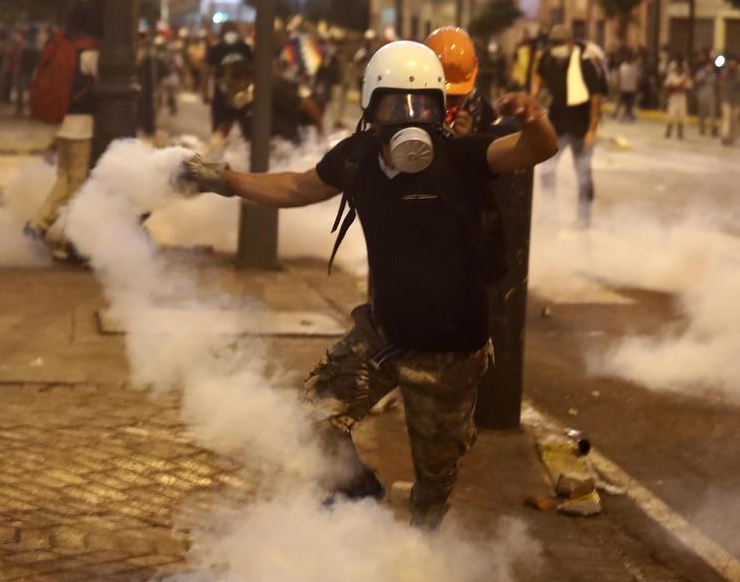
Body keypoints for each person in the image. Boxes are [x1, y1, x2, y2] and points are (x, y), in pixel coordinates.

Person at [171, 41, 558, 528]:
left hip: (451, 352)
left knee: (433, 488)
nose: (410, 118)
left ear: (441, 108)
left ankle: (418, 575)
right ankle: (356, 498)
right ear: (372, 107)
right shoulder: (358, 157)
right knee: (312, 415)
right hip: (385, 334)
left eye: (423, 106)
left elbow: (536, 148)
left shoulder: (463, 156)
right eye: (396, 105)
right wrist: (224, 178)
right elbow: (294, 187)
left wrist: (533, 117)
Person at [26, 0, 103, 262]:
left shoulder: (63, 40)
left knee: (65, 178)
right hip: (83, 124)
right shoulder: (90, 48)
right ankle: (67, 237)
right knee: (78, 184)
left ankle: (38, 224)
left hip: (62, 120)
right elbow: (101, 84)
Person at [532, 24, 607, 225]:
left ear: (570, 43)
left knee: (583, 172)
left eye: (560, 43)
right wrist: (532, 100)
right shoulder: (548, 59)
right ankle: (550, 213)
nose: (557, 47)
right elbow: (538, 78)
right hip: (557, 122)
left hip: (581, 125)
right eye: (554, 43)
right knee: (547, 169)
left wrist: (592, 129)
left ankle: (584, 218)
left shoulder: (584, 63)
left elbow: (595, 98)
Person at [425, 26, 496, 137]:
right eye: (441, 95)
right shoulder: (408, 107)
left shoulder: (484, 115)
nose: (447, 104)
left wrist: (467, 142)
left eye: (454, 98)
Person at [720, 56, 740, 145]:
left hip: (737, 101)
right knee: (726, 119)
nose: (732, 64)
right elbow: (721, 83)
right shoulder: (725, 72)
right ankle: (725, 136)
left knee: (734, 120)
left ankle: (732, 137)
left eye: (734, 62)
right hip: (726, 99)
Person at [662, 59, 690, 140]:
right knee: (671, 114)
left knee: (682, 115)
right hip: (673, 97)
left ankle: (680, 132)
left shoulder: (685, 76)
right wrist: (674, 88)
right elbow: (667, 86)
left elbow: (688, 87)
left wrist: (682, 87)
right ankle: (668, 131)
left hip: (682, 97)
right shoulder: (671, 75)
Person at [694, 56, 717, 137]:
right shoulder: (700, 73)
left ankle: (713, 128)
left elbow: (716, 86)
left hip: (711, 96)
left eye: (710, 66)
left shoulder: (714, 75)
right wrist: (705, 76)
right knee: (702, 114)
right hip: (701, 96)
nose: (709, 68)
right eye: (708, 66)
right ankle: (701, 128)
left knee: (712, 113)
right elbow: (697, 83)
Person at [616, 53, 639, 121]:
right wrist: (618, 86)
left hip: (631, 88)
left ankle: (629, 115)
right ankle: (619, 115)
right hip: (623, 88)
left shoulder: (634, 67)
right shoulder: (622, 66)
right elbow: (619, 77)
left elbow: (637, 78)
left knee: (630, 104)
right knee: (622, 103)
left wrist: (636, 87)